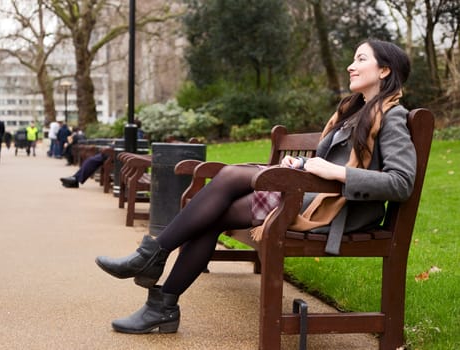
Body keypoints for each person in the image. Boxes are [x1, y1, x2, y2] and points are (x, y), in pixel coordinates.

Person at [94, 39, 417, 334]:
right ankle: (160, 295)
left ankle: (154, 271)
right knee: (217, 210)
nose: (351, 65)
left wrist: (337, 173)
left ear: (384, 70)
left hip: (338, 212)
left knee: (230, 181)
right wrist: (301, 164)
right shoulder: (354, 112)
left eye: (360, 59)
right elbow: (327, 165)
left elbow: (401, 183)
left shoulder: (392, 117)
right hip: (312, 196)